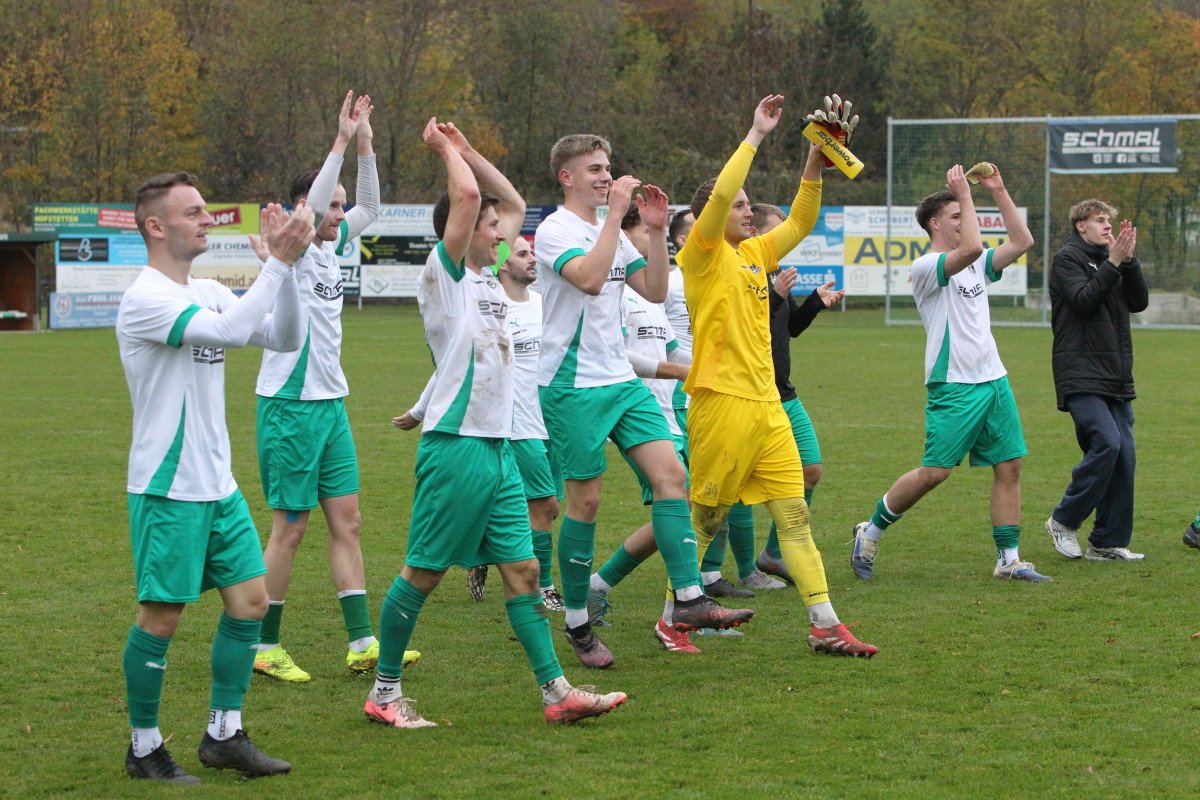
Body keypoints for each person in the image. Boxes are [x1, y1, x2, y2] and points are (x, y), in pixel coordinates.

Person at [363, 119, 626, 729]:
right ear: (463, 235)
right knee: (422, 572)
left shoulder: (490, 279)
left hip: (501, 449)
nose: (500, 229)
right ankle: (384, 690)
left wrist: (472, 151)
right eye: (489, 227)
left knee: (526, 569)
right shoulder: (446, 277)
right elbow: (470, 199)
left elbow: (504, 200)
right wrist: (447, 152)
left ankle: (556, 691)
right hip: (457, 449)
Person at [118, 173, 313, 782]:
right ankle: (144, 747)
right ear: (156, 226)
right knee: (162, 617)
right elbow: (231, 333)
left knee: (251, 603)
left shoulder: (205, 288)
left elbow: (284, 336)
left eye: (207, 211)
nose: (209, 220)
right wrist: (277, 266)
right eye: (194, 212)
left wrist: (290, 271)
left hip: (217, 483)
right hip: (167, 486)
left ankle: (223, 734)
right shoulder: (147, 297)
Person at [535, 133, 752, 669]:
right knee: (584, 503)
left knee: (672, 476)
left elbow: (655, 290)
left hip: (618, 379)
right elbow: (587, 279)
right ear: (566, 177)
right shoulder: (554, 229)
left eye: (608, 167)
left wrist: (655, 232)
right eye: (593, 169)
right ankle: (578, 623)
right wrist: (614, 218)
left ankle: (688, 599)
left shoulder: (614, 227)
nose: (606, 176)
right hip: (572, 385)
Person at [679, 94, 876, 657]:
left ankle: (824, 624)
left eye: (747, 205)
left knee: (795, 515)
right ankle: (673, 616)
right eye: (739, 206)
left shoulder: (754, 254)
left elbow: (802, 220)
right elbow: (718, 195)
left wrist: (816, 163)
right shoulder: (703, 253)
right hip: (720, 401)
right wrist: (757, 133)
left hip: (767, 407)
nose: (745, 210)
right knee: (705, 518)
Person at [251, 91, 418, 683]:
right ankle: (263, 645)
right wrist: (341, 141)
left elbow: (372, 203)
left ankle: (362, 642)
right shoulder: (291, 248)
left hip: (330, 405)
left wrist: (368, 142)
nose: (341, 214)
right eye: (331, 206)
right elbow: (320, 200)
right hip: (290, 406)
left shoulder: (335, 245)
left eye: (341, 208)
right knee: (290, 528)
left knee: (346, 521)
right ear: (306, 209)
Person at [851, 162, 1048, 583]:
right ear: (936, 223)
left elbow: (1023, 240)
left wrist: (998, 189)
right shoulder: (927, 266)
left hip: (993, 379)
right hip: (954, 384)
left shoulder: (975, 263)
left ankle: (1008, 559)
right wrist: (965, 194)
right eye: (957, 215)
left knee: (1009, 466)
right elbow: (973, 249)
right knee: (935, 472)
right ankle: (870, 530)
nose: (964, 220)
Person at [396, 236, 568, 612]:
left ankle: (482, 556)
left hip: (550, 422)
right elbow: (455, 364)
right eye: (522, 254)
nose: (532, 259)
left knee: (546, 507)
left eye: (532, 253)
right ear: (503, 264)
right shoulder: (493, 306)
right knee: (543, 505)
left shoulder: (545, 306)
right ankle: (545, 588)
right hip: (515, 424)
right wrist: (420, 410)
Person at [586, 201, 704, 653]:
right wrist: (673, 373)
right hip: (636, 416)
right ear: (626, 233)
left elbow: (677, 353)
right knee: (681, 504)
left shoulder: (652, 298)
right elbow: (618, 357)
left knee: (678, 511)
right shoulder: (612, 294)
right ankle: (677, 618)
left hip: (672, 413)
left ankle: (601, 584)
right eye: (644, 235)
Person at [1045, 200, 1148, 561]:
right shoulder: (1067, 260)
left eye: (1110, 221)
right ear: (1080, 226)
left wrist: (1129, 261)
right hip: (1080, 372)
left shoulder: (1113, 260)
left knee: (1124, 455)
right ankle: (1063, 520)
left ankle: (1106, 542)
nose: (1108, 226)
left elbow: (1139, 302)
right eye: (1099, 220)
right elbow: (1084, 300)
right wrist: (1114, 262)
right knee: (1106, 442)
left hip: (1116, 375)